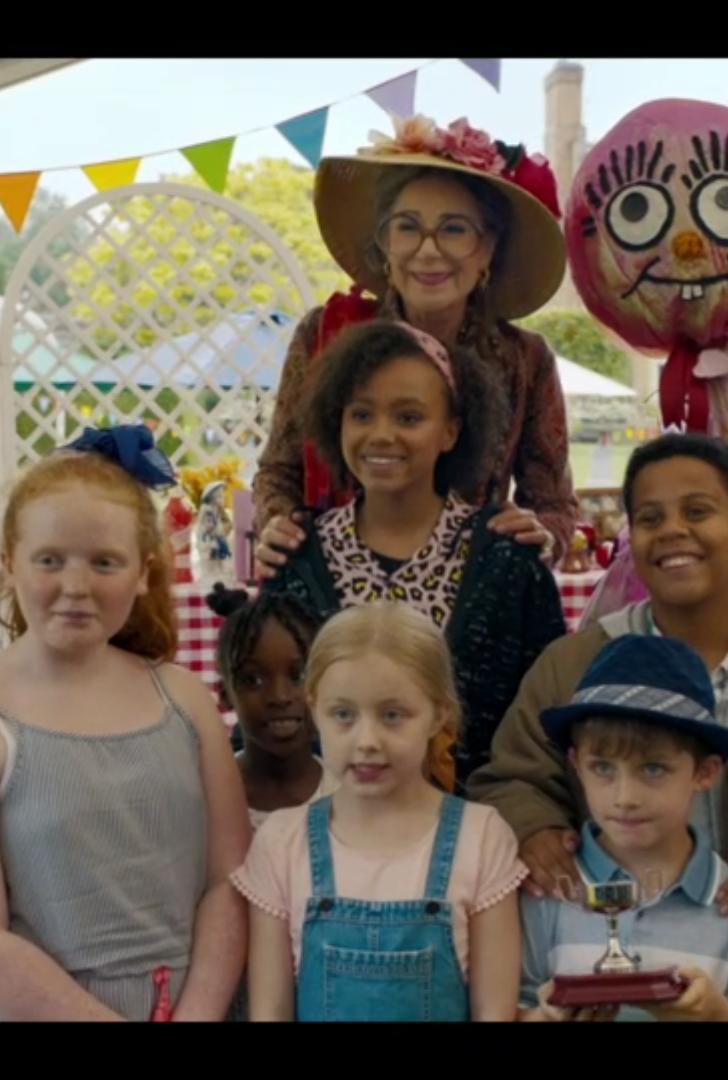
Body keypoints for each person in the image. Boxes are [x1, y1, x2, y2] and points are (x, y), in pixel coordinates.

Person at [468, 433, 728, 1019]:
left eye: (698, 511)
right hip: (597, 958)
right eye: (650, 517)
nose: (673, 531)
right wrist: (533, 827)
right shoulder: (573, 664)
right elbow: (509, 777)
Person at [0, 427, 248, 1021]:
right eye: (50, 560)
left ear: (143, 573)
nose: (76, 586)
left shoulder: (184, 702)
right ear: (10, 564)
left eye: (105, 562)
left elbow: (229, 880)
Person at [255, 113, 578, 574]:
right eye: (407, 227)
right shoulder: (323, 337)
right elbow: (278, 472)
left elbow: (554, 504)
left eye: (453, 229)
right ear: (384, 242)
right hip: (337, 587)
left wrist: (541, 533)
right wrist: (279, 527)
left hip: (471, 593)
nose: (428, 250)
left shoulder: (526, 359)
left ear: (486, 249)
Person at [263, 319, 567, 787]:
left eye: (408, 417)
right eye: (361, 414)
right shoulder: (298, 560)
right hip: (333, 829)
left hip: (484, 830)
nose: (382, 435)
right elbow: (272, 717)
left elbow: (546, 721)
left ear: (450, 431)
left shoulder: (507, 562)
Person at [235, 603, 527, 1021]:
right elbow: (270, 1012)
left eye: (392, 715)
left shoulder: (480, 838)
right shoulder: (282, 844)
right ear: (314, 708)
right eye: (343, 715)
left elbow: (493, 1013)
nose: (367, 739)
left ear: (438, 714)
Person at [517, 635, 728, 1023]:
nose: (625, 797)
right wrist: (543, 1018)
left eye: (653, 768)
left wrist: (715, 1017)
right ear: (576, 764)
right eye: (603, 768)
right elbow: (511, 1005)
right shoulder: (547, 889)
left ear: (705, 772)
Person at [204, 584, 340, 830]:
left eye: (299, 675)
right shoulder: (207, 799)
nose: (279, 696)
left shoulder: (348, 798)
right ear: (225, 695)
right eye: (253, 680)